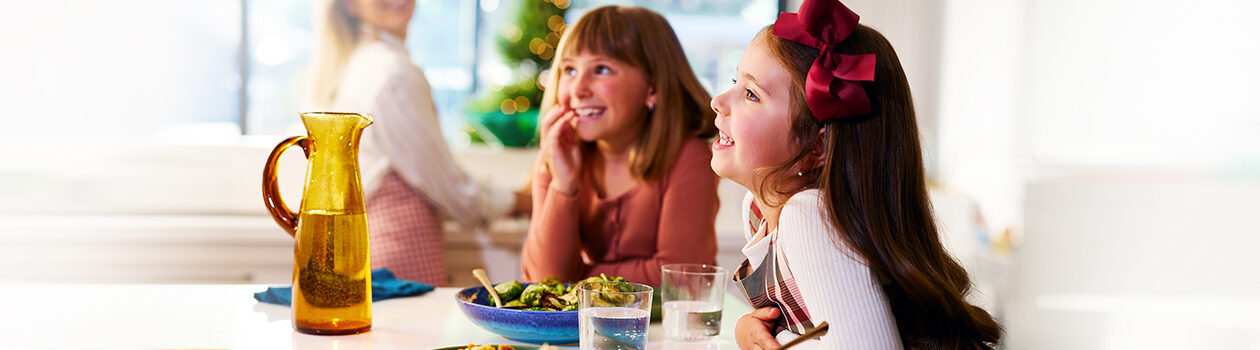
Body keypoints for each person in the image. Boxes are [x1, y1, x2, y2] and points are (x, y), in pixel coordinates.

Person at [709, 0, 1002, 348]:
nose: (718, 101)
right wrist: (750, 327)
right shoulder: (759, 209)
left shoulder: (808, 215)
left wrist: (778, 337)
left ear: (817, 148)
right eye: (734, 80)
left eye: (751, 94)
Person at [308, 0, 528, 286]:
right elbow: (452, 189)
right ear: (348, 5)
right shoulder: (392, 73)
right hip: (397, 259)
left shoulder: (358, 63)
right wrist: (521, 200)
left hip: (374, 256)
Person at [522, 6, 720, 287]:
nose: (578, 89)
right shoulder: (558, 158)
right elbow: (545, 280)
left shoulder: (688, 156)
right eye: (570, 70)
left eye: (601, 69)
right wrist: (563, 186)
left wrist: (578, 278)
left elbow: (680, 278)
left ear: (652, 87)